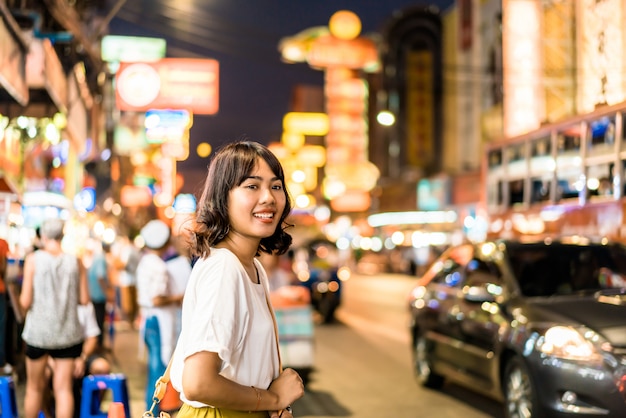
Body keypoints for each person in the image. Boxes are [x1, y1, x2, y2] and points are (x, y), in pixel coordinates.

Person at [169, 141, 304, 418]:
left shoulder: (251, 266)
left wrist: (273, 402)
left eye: (275, 186)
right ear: (223, 197)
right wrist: (273, 397)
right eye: (252, 186)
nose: (268, 197)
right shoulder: (224, 268)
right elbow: (198, 383)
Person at [19, 218, 90, 418]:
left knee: (34, 388)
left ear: (43, 235)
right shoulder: (76, 261)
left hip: (38, 334)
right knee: (63, 390)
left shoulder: (33, 259)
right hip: (68, 333)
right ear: (62, 235)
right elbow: (85, 299)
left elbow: (25, 301)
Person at [136, 219, 185, 414]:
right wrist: (179, 297)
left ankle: (152, 411)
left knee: (153, 370)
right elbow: (157, 299)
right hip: (158, 322)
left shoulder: (146, 262)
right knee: (158, 373)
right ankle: (152, 412)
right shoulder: (159, 266)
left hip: (148, 321)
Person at [84, 240, 110, 351]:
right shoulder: (101, 258)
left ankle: (98, 344)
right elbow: (100, 276)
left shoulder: (98, 257)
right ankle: (98, 345)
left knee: (98, 319)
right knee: (99, 320)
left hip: (94, 293)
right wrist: (107, 291)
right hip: (98, 294)